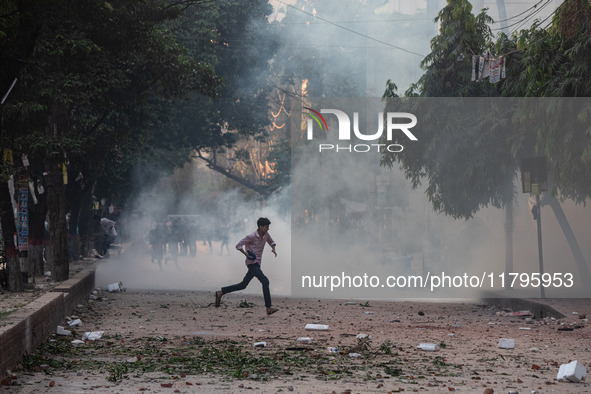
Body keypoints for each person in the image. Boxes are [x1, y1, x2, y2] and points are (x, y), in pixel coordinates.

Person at [215, 217, 278, 315]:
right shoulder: (251, 236)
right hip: (252, 264)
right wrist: (245, 254)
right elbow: (238, 245)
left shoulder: (266, 235)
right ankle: (268, 308)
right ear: (260, 227)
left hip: (258, 263)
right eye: (266, 227)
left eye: (268, 227)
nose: (268, 229)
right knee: (265, 281)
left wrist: (273, 249)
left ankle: (221, 292)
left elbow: (271, 242)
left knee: (243, 285)